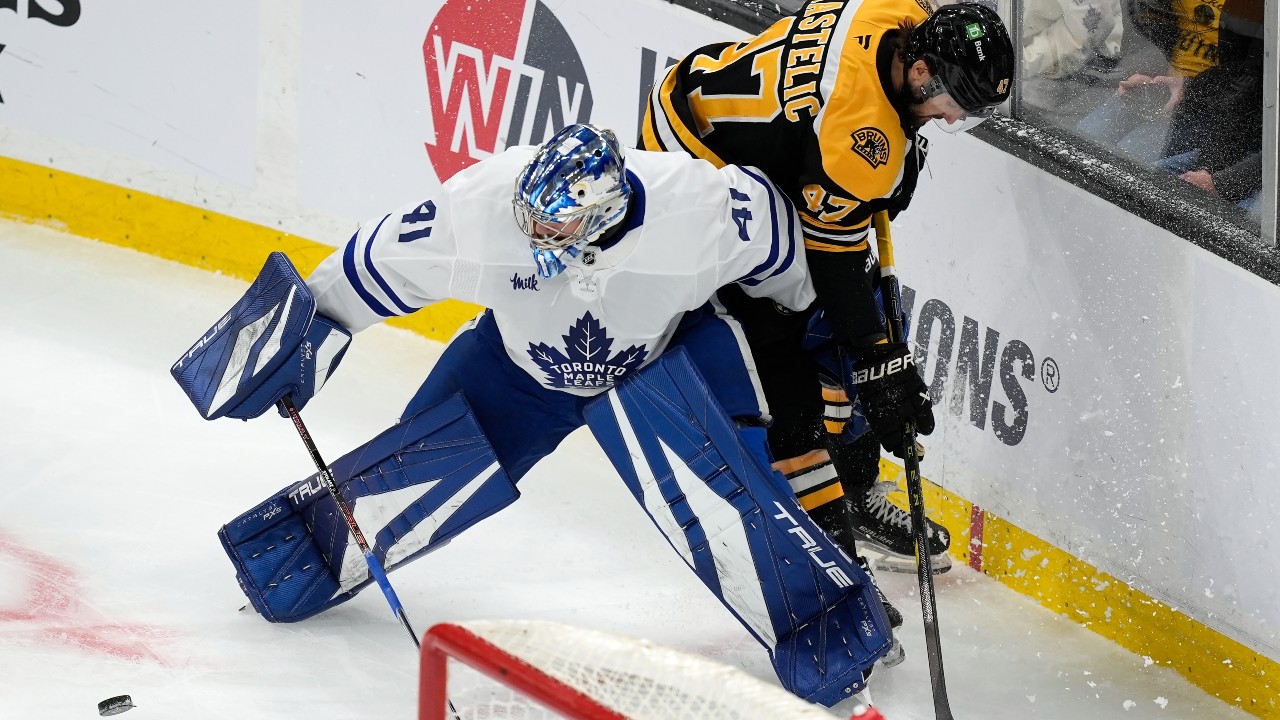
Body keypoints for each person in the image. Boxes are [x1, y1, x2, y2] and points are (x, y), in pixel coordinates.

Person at [175, 123, 895, 706]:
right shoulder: (482, 206)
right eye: (531, 225)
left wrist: (840, 344)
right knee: (412, 470)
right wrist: (299, 342)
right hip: (518, 373)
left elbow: (801, 275)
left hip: (657, 368)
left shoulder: (706, 209)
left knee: (732, 494)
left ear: (605, 220)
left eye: (554, 234)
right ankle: (301, 557)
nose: (532, 241)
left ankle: (823, 620)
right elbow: (370, 265)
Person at [640, 1, 1015, 581]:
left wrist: (876, 359)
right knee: (787, 349)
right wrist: (877, 356)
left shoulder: (900, 12)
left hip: (745, 119)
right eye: (953, 104)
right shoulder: (860, 134)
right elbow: (834, 260)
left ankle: (856, 492)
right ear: (921, 73)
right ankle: (824, 563)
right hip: (701, 166)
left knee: (854, 343)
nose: (948, 120)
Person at [1074, 0, 1224, 163]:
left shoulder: (1251, 8)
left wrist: (1189, 88)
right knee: (1078, 143)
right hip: (1155, 84)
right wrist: (1142, 70)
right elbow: (1142, 25)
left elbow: (1250, 76)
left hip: (1209, 104)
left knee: (1127, 160)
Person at [1151, 0, 1263, 218]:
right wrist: (1187, 87)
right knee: (1148, 175)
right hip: (1242, 139)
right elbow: (1250, 76)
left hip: (1264, 168)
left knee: (1249, 226)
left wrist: (1221, 183)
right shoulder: (1251, 7)